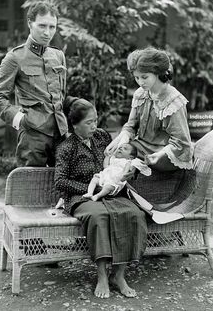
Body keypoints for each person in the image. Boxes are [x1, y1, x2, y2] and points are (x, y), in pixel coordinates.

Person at [54, 96, 147, 299]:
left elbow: (121, 160)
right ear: (75, 125)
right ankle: (102, 276)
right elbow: (60, 182)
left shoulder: (102, 137)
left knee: (133, 214)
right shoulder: (66, 147)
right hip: (82, 197)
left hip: (112, 192)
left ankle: (119, 275)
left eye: (96, 120)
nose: (94, 126)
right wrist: (91, 190)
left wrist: (131, 172)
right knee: (99, 217)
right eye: (88, 123)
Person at [106, 47, 196, 209]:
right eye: (137, 78)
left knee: (126, 163)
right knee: (110, 153)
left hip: (166, 154)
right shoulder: (140, 94)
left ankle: (126, 203)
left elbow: (181, 143)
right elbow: (131, 125)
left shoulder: (173, 101)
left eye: (145, 77)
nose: (140, 82)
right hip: (141, 147)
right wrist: (122, 139)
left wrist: (159, 155)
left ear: (158, 73)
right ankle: (112, 199)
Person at [0, 1, 68, 166]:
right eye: (42, 26)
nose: (47, 32)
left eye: (52, 27)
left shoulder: (58, 56)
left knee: (61, 188)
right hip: (33, 138)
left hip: (61, 134)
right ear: (30, 23)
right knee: (30, 188)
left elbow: (61, 95)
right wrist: (21, 120)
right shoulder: (15, 57)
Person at [83, 143, 151, 201]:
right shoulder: (113, 159)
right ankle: (89, 193)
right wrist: (107, 157)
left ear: (130, 157)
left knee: (108, 187)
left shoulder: (128, 162)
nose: (120, 149)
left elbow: (127, 170)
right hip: (105, 176)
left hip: (115, 180)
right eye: (120, 148)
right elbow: (106, 166)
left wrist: (124, 176)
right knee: (94, 179)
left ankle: (97, 196)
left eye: (125, 148)